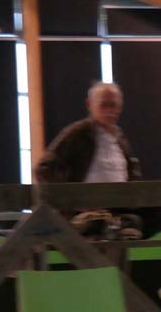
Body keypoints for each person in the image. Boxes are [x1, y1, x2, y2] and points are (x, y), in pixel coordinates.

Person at [36, 82, 146, 240]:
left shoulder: (120, 138)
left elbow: (133, 174)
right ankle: (108, 227)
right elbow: (44, 169)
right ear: (90, 105)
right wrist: (72, 201)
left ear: (120, 107)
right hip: (85, 211)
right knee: (95, 223)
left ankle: (117, 227)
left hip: (117, 209)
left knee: (158, 213)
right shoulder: (78, 133)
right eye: (104, 105)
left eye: (114, 105)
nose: (110, 111)